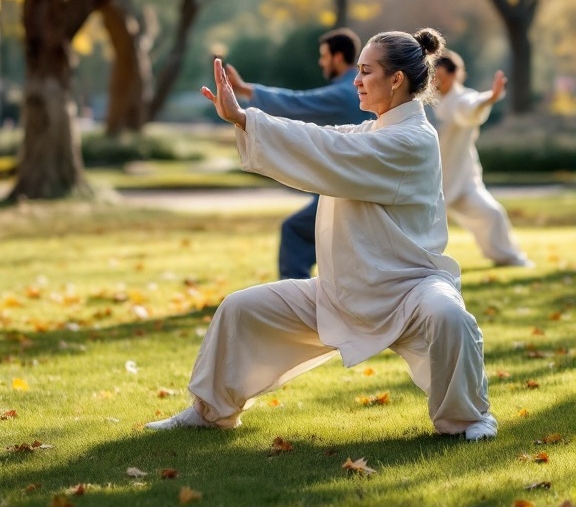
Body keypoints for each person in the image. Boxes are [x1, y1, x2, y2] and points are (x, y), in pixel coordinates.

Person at [146, 28, 496, 441]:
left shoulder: (413, 141)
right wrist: (245, 119)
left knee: (449, 315)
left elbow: (329, 150)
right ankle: (209, 412)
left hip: (410, 290)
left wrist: (246, 118)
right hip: (343, 292)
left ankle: (469, 418)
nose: (357, 80)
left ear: (396, 79)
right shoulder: (373, 132)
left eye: (366, 72)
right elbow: (327, 139)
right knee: (240, 309)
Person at [225, 28, 372, 279]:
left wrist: (245, 91)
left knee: (294, 230)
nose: (320, 62)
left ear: (337, 57)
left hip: (347, 189)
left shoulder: (346, 92)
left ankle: (294, 301)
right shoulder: (355, 89)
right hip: (350, 184)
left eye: (324, 56)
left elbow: (299, 102)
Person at [434, 50, 532, 267]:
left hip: (461, 180)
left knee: (491, 214)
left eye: (438, 74)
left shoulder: (460, 98)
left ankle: (510, 258)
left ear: (451, 74)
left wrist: (491, 97)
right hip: (429, 184)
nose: (434, 79)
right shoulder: (425, 101)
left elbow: (470, 106)